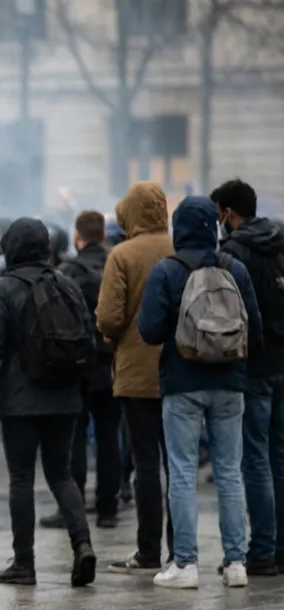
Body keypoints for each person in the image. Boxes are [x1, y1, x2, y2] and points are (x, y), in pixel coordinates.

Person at [138, 195, 261, 589]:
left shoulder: (167, 271)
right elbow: (253, 329)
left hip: (182, 383)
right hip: (230, 384)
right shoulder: (235, 268)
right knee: (229, 472)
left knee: (183, 471)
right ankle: (236, 562)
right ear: (214, 226)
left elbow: (149, 330)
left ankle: (185, 564)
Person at [0, 218, 96, 587]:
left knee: (21, 478)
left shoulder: (4, 288)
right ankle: (82, 544)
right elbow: (86, 339)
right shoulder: (66, 283)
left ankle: (24, 562)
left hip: (21, 401)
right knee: (62, 475)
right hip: (65, 397)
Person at [96, 181, 176, 574]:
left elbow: (108, 318)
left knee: (146, 463)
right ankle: (183, 549)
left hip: (136, 371)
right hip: (182, 371)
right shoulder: (181, 248)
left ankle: (148, 551)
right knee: (176, 464)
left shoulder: (122, 254)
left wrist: (112, 333)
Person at [213, 179, 284, 576]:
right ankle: (280, 548)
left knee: (254, 460)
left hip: (253, 366)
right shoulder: (279, 240)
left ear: (227, 212)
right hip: (282, 363)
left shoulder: (234, 253)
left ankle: (261, 552)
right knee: (279, 456)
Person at [40, 211, 123, 530]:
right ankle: (108, 508)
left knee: (73, 437)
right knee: (109, 438)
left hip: (78, 364)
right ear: (102, 234)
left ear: (78, 237)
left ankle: (71, 509)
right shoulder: (117, 265)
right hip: (112, 361)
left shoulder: (68, 272)